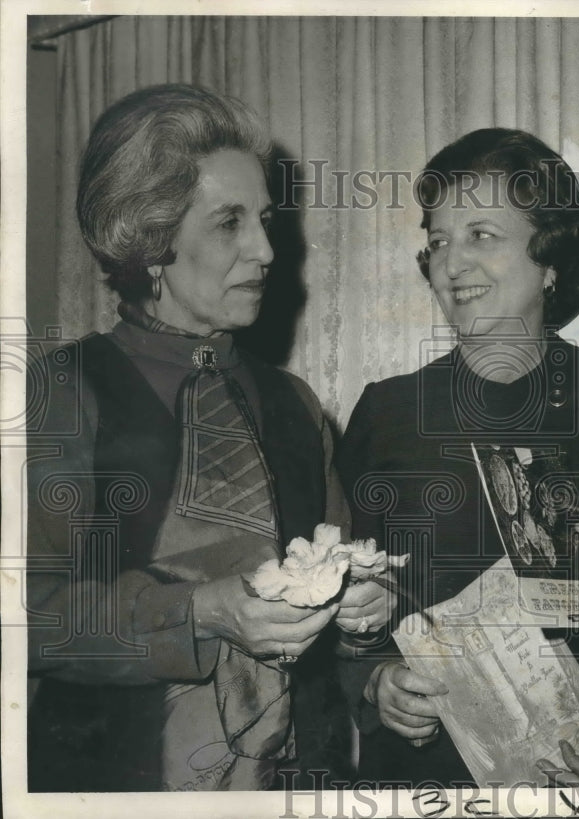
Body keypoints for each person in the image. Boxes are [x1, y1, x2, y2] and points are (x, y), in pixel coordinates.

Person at [25, 84, 392, 792]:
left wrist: (365, 617)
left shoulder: (294, 402)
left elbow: (345, 615)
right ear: (152, 237)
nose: (264, 249)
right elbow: (24, 615)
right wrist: (197, 611)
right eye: (229, 223)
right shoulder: (59, 391)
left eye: (263, 219)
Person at [337, 127, 579, 786]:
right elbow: (343, 607)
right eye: (439, 240)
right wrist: (375, 680)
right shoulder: (387, 412)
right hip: (426, 781)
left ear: (550, 258)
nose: (451, 263)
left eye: (482, 235)